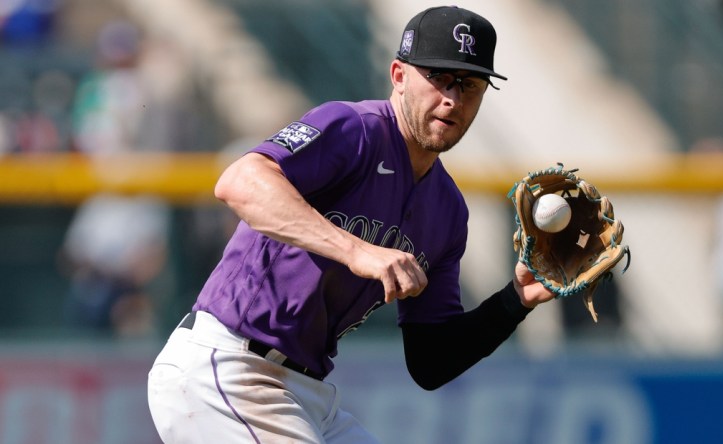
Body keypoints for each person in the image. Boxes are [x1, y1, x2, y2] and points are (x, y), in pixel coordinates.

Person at [147, 6, 555, 443]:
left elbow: (431, 362)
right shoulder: (353, 129)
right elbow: (240, 182)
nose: (452, 98)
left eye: (470, 84)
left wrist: (516, 300)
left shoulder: (448, 211)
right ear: (398, 75)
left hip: (308, 394)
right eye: (439, 77)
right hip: (226, 369)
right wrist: (357, 250)